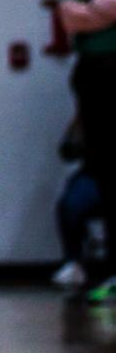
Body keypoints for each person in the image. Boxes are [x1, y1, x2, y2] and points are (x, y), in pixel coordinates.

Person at [55, 0, 116, 305]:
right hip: (97, 73)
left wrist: (102, 6)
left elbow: (88, 10)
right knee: (105, 171)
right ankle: (106, 268)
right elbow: (71, 16)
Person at [53, 105, 102, 290]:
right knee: (70, 204)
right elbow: (66, 151)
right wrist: (76, 141)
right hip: (93, 173)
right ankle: (73, 262)